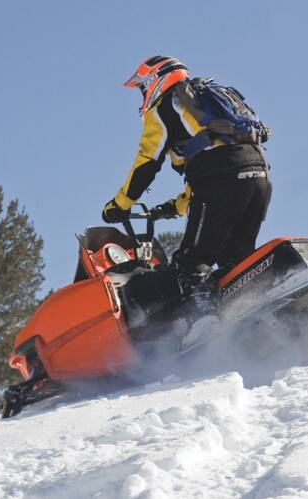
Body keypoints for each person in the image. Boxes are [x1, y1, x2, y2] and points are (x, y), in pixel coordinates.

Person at [102, 55, 272, 322]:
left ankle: (206, 326)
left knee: (190, 264)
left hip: (221, 178)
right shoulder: (205, 102)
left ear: (156, 81)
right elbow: (212, 161)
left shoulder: (164, 108)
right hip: (258, 172)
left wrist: (120, 204)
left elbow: (147, 164)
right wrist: (176, 207)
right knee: (237, 260)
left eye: (143, 88)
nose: (144, 95)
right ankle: (257, 313)